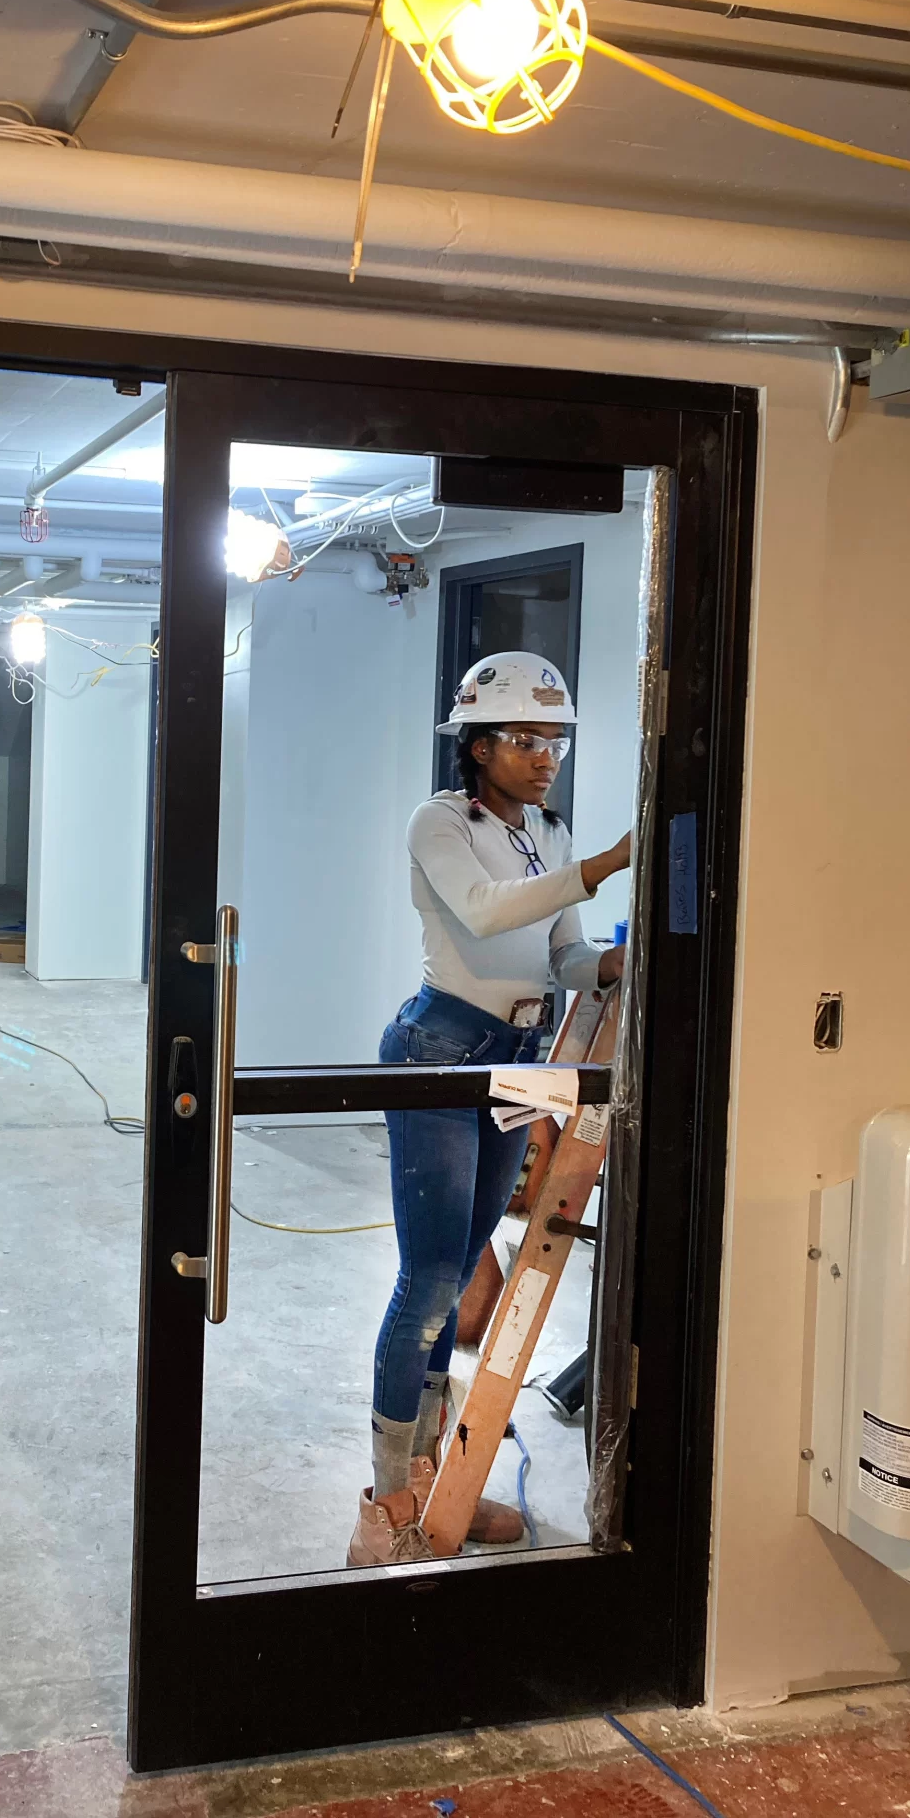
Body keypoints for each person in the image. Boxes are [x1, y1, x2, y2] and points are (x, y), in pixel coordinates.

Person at [347, 651, 630, 1567]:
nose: (546, 754)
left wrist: (616, 965)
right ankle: (386, 1508)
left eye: (554, 739)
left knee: (466, 1267)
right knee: (429, 1280)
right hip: (439, 1048)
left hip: (514, 1059)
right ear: (477, 746)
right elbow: (481, 911)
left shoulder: (547, 831)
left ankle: (436, 1481)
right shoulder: (441, 822)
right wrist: (604, 864)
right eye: (525, 738)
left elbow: (565, 958)